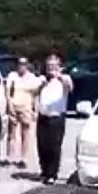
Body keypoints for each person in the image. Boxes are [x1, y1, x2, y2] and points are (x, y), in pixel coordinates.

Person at [36, 53, 74, 185]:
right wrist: (42, 83)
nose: (51, 68)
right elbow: (34, 90)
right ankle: (44, 171)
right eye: (49, 66)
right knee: (42, 146)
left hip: (56, 117)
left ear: (60, 66)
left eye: (54, 65)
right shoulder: (42, 79)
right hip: (43, 116)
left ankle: (52, 174)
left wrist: (59, 76)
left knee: (54, 147)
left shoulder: (64, 79)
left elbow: (70, 87)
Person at [4, 57, 40, 169]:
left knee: (25, 133)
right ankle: (10, 157)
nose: (22, 66)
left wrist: (35, 110)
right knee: (12, 133)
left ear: (28, 65)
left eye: (24, 64)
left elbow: (35, 95)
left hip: (26, 107)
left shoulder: (32, 78)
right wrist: (10, 107)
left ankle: (23, 158)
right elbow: (8, 93)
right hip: (14, 106)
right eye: (20, 64)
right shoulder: (12, 76)